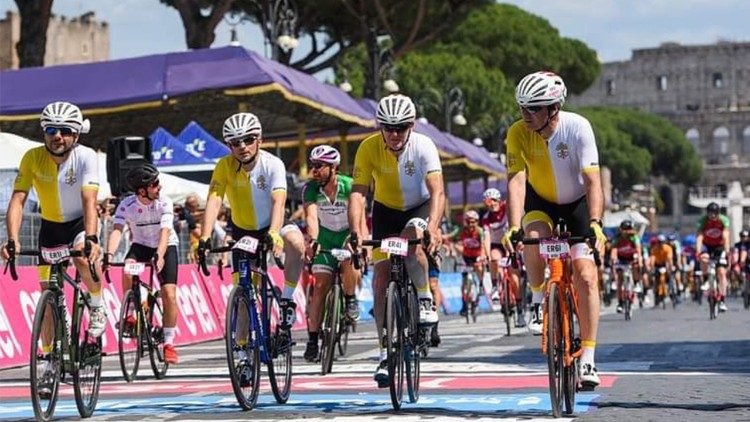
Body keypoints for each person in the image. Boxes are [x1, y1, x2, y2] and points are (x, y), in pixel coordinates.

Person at [502, 71, 605, 389]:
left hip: (576, 205)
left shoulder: (578, 128)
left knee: (586, 275)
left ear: (553, 109)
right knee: (531, 239)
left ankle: (587, 358)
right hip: (540, 201)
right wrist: (513, 226)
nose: (526, 116)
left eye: (533, 109)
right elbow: (517, 181)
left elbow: (592, 181)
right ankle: (536, 298)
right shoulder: (518, 132)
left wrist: (596, 224)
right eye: (522, 109)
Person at [2, 102, 105, 395]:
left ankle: (96, 304)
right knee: (47, 297)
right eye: (50, 130)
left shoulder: (85, 156)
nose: (56, 136)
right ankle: (49, 363)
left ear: (76, 134)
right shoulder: (32, 157)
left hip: (77, 224)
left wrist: (93, 237)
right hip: (50, 227)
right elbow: (18, 200)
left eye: (64, 131)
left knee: (84, 259)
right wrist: (12, 238)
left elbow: (89, 202)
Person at [348, 93, 445, 387]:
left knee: (412, 241)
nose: (393, 134)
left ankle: (425, 300)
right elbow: (357, 194)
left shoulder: (424, 145)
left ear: (411, 126)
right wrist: (357, 232)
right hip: (386, 211)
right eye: (387, 128)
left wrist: (434, 227)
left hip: (420, 206)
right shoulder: (368, 148)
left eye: (400, 128)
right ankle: (385, 352)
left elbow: (438, 191)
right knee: (379, 281)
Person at [199, 112, 306, 333]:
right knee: (243, 295)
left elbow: (279, 200)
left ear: (260, 139)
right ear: (229, 145)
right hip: (243, 232)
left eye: (248, 139)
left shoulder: (272, 163)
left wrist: (275, 232)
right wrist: (204, 237)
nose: (242, 146)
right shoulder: (224, 166)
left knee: (296, 242)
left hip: (273, 223)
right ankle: (242, 353)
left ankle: (286, 300)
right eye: (235, 142)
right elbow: (214, 200)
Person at [104, 164, 180, 364]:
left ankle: (169, 343)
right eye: (155, 184)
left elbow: (165, 232)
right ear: (142, 190)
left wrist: (160, 255)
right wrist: (109, 254)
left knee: (169, 294)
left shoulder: (165, 202)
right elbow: (118, 230)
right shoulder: (126, 205)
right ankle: (130, 312)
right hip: (141, 245)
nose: (159, 187)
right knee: (128, 268)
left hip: (165, 245)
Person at [301, 145, 363, 362]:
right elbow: (311, 217)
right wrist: (314, 240)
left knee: (349, 263)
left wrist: (358, 239)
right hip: (326, 238)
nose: (314, 171)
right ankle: (312, 340)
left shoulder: (349, 186)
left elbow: (359, 216)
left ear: (333, 168)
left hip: (347, 235)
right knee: (319, 289)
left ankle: (350, 297)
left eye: (319, 166)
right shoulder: (310, 189)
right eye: (312, 166)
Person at [481, 188, 525, 327]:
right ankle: (495, 286)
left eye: (494, 200)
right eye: (488, 201)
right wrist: (487, 255)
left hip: (511, 244)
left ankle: (520, 312)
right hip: (496, 245)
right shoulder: (486, 218)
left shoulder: (507, 209)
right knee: (494, 258)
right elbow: (486, 238)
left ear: (499, 200)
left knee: (514, 278)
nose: (492, 203)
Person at [695, 202, 730, 312]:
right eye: (710, 214)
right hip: (707, 245)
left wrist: (727, 251)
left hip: (719, 246)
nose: (712, 216)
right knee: (703, 258)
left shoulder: (723, 220)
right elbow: (700, 236)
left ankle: (722, 300)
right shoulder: (703, 221)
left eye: (714, 214)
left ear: (718, 213)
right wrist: (698, 251)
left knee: (721, 273)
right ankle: (706, 279)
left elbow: (726, 236)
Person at [453, 210, 487, 316]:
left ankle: (481, 286)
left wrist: (482, 257)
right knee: (464, 283)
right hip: (466, 257)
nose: (471, 224)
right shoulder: (461, 231)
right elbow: (451, 238)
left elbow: (484, 245)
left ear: (477, 222)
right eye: (468, 222)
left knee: (480, 269)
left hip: (477, 256)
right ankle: (464, 304)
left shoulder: (480, 231)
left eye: (473, 222)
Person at [609, 220, 643, 313]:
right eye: (625, 229)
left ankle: (636, 283)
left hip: (632, 258)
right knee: (620, 280)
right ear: (621, 229)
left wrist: (639, 260)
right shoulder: (617, 238)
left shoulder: (634, 237)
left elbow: (638, 249)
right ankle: (620, 303)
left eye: (629, 229)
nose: (627, 231)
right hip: (621, 259)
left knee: (637, 266)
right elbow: (614, 250)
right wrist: (613, 259)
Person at [649, 234, 674, 306]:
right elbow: (652, 259)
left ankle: (670, 289)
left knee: (669, 276)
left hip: (665, 263)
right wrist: (652, 268)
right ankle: (656, 294)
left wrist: (670, 267)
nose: (661, 244)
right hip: (657, 265)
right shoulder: (654, 249)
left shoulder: (668, 248)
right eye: (659, 242)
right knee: (656, 279)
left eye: (662, 242)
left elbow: (669, 259)